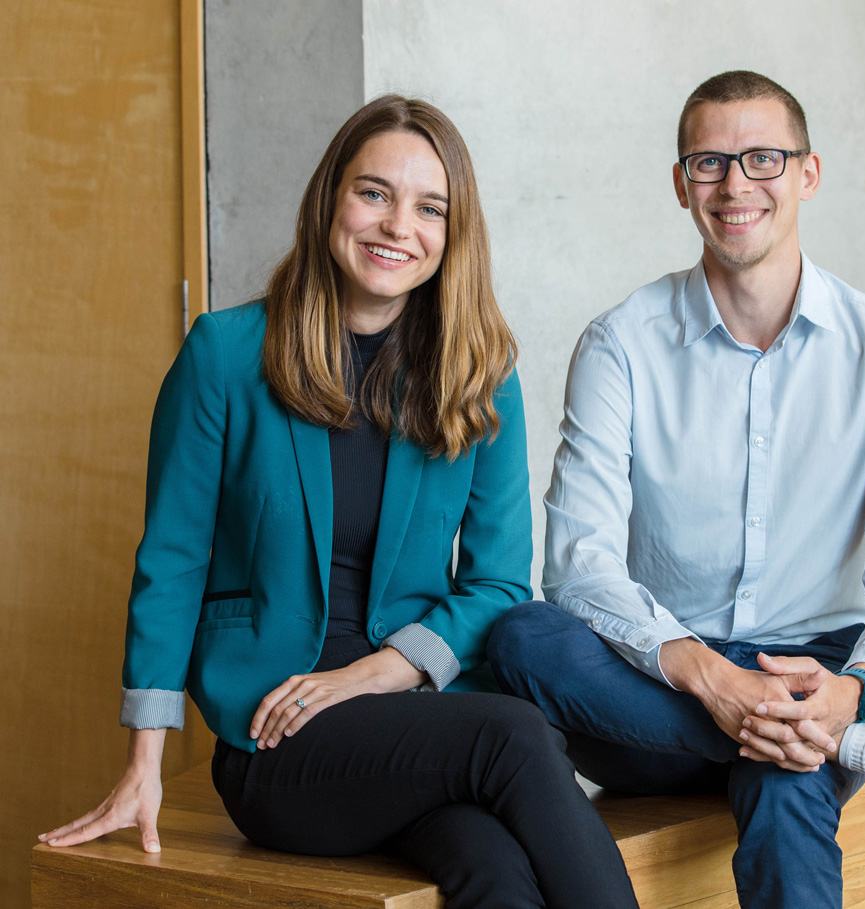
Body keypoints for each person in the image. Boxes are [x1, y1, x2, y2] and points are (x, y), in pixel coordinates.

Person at [39, 95, 638, 909]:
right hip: (278, 739)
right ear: (331, 200)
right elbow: (173, 560)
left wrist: (374, 675)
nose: (399, 225)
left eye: (431, 208)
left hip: (418, 718)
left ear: (453, 236)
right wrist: (144, 761)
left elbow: (498, 582)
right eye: (374, 193)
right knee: (517, 735)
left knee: (495, 867)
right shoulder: (224, 355)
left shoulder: (479, 372)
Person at [488, 71, 865, 908]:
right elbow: (579, 565)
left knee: (783, 779)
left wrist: (849, 691)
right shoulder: (620, 345)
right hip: (652, 690)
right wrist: (711, 678)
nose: (736, 185)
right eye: (709, 162)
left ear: (808, 174)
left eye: (763, 158)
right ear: (680, 184)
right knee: (522, 635)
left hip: (821, 677)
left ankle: (842, 730)